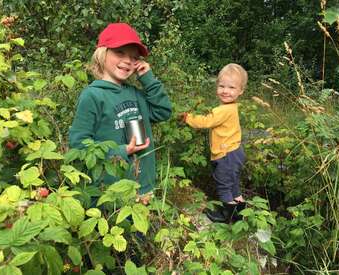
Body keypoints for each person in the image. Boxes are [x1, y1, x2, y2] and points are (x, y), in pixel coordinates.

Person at [69, 23, 172, 202]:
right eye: (120, 52)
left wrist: (147, 79)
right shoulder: (93, 95)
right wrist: (122, 150)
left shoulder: (135, 94)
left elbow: (163, 111)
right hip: (110, 192)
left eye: (134, 57)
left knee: (141, 230)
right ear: (102, 53)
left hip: (142, 186)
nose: (127, 61)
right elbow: (79, 145)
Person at [179, 63, 247, 223]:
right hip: (235, 152)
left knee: (223, 184)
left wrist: (188, 117)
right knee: (234, 184)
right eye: (222, 86)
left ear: (240, 90)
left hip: (226, 154)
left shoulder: (223, 110)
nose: (225, 90)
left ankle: (227, 216)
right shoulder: (231, 107)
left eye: (231, 87)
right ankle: (240, 214)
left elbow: (206, 121)